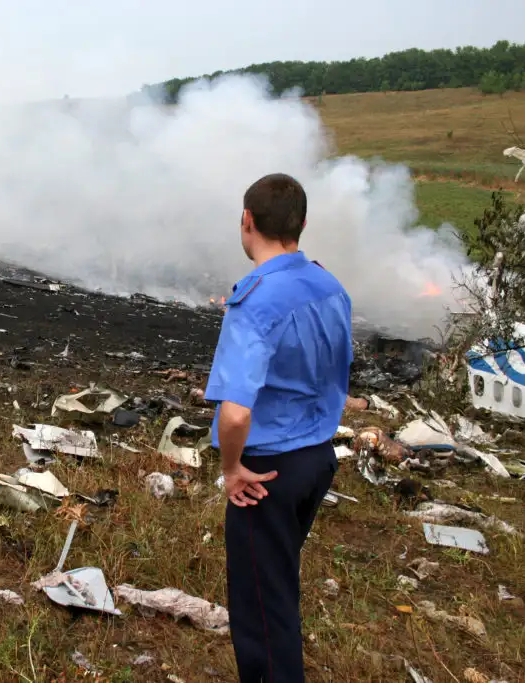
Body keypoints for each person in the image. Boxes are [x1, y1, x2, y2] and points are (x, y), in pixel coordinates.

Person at [204, 173, 352, 682]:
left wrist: (231, 469)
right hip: (317, 459)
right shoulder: (329, 286)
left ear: (247, 221)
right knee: (279, 587)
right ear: (302, 224)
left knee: (262, 616)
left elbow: (237, 411)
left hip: (266, 474)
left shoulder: (256, 299)